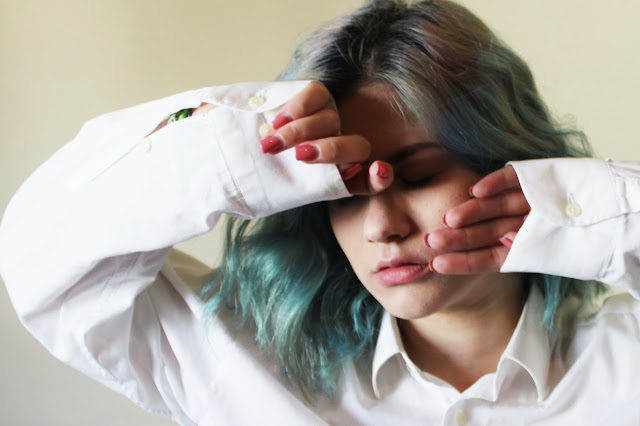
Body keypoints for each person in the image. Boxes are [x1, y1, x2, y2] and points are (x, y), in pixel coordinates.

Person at [1, 0, 639, 424]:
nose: (382, 227)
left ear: (509, 163)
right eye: (343, 193)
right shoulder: (247, 361)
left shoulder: (622, 360)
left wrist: (571, 207)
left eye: (419, 175)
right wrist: (246, 149)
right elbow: (43, 263)